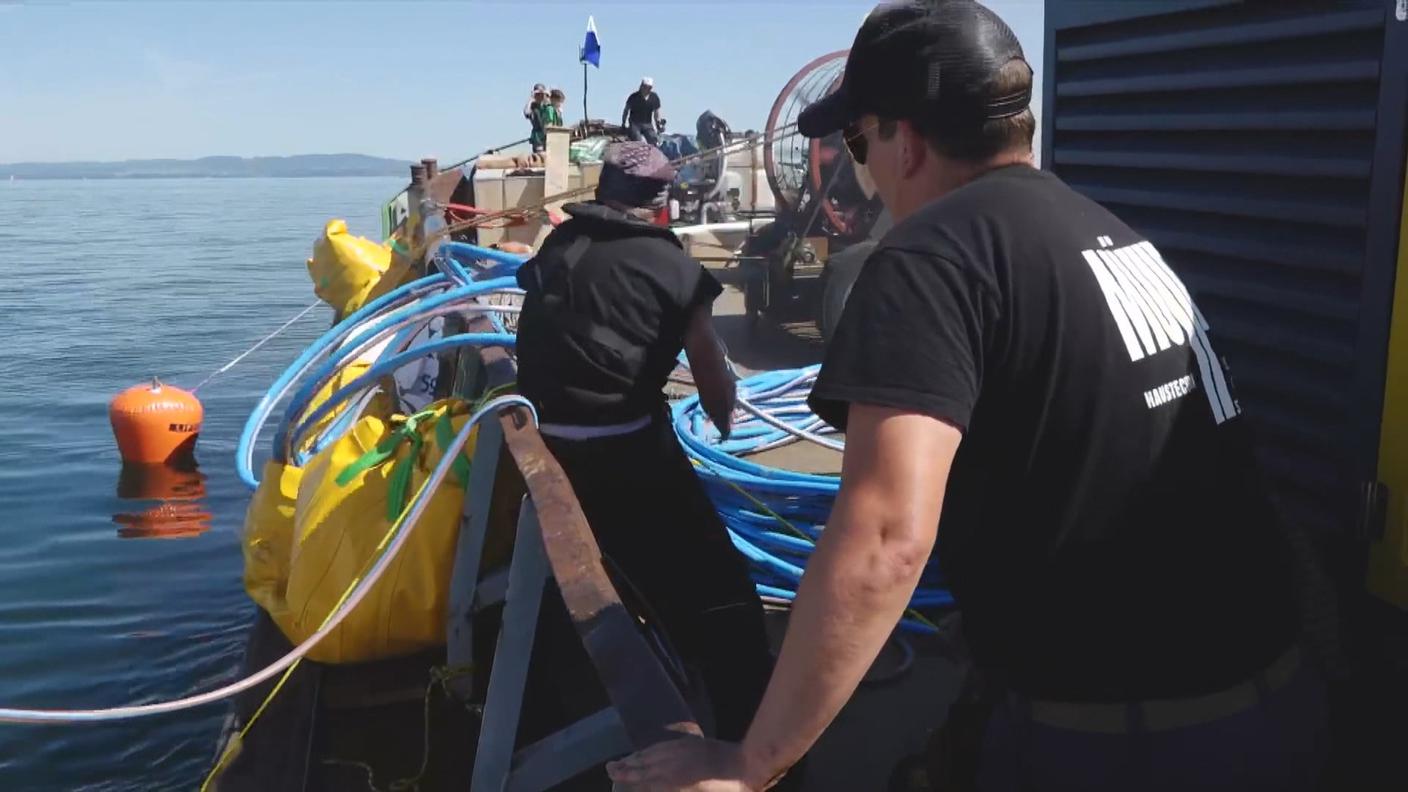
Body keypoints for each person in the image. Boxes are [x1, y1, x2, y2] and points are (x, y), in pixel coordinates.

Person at [605, 2, 1326, 791]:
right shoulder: (1113, 236)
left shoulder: (930, 258)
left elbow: (885, 540)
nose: (863, 167)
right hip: (1273, 705)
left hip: (1120, 742)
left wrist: (751, 763)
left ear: (907, 142)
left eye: (860, 141)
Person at [513, 141, 803, 789]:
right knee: (726, 598)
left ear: (602, 193)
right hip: (626, 460)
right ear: (662, 205)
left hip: (547, 455)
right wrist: (723, 419)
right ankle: (751, 749)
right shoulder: (672, 266)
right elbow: (713, 381)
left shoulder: (558, 246)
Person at [622, 77, 663, 145]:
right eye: (644, 86)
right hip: (635, 124)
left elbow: (657, 112)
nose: (646, 89)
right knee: (638, 141)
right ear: (641, 86)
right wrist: (623, 123)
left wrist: (658, 124)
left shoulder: (654, 97)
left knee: (654, 140)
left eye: (649, 87)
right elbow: (626, 110)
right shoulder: (633, 97)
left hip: (647, 124)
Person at [524, 83, 548, 153]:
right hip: (538, 139)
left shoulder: (547, 107)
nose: (540, 96)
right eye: (537, 94)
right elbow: (526, 113)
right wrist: (531, 98)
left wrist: (546, 96)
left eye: (541, 94)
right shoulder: (533, 107)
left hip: (548, 138)